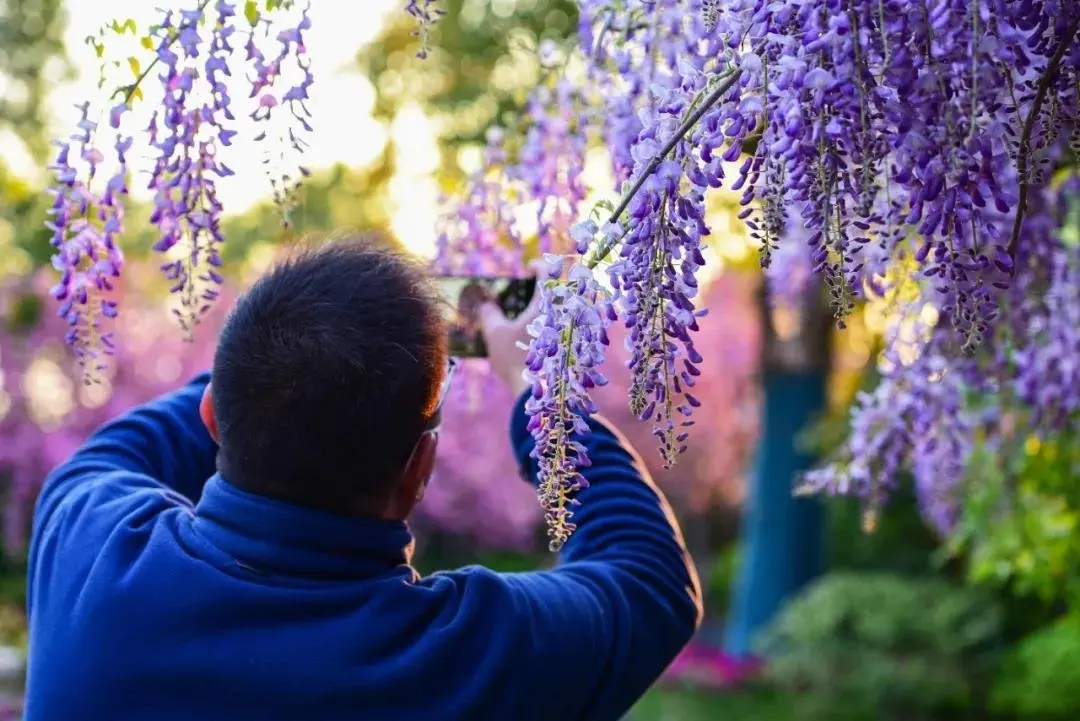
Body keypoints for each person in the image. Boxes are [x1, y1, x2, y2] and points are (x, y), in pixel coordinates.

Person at [26, 237, 702, 721]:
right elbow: (648, 575)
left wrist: (299, 351)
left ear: (214, 413)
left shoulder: (88, 539)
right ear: (420, 468)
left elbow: (153, 436)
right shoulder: (462, 661)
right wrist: (536, 386)